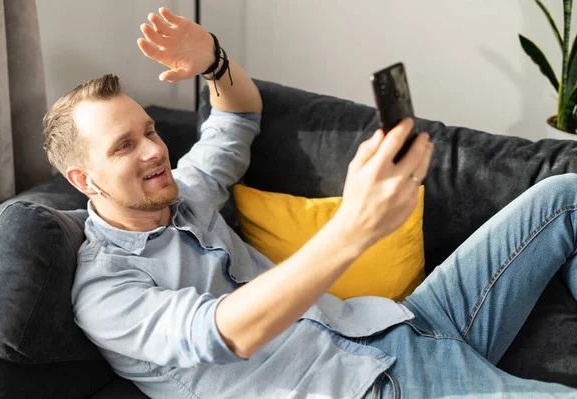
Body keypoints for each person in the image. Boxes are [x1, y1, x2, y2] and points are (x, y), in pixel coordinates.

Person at [42, 7, 577, 399]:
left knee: (562, 197)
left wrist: (213, 59)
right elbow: (224, 332)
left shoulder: (186, 194)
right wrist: (353, 228)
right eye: (125, 146)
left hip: (396, 327)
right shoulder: (105, 292)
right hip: (372, 388)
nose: (156, 149)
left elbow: (236, 118)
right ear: (83, 179)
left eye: (150, 130)